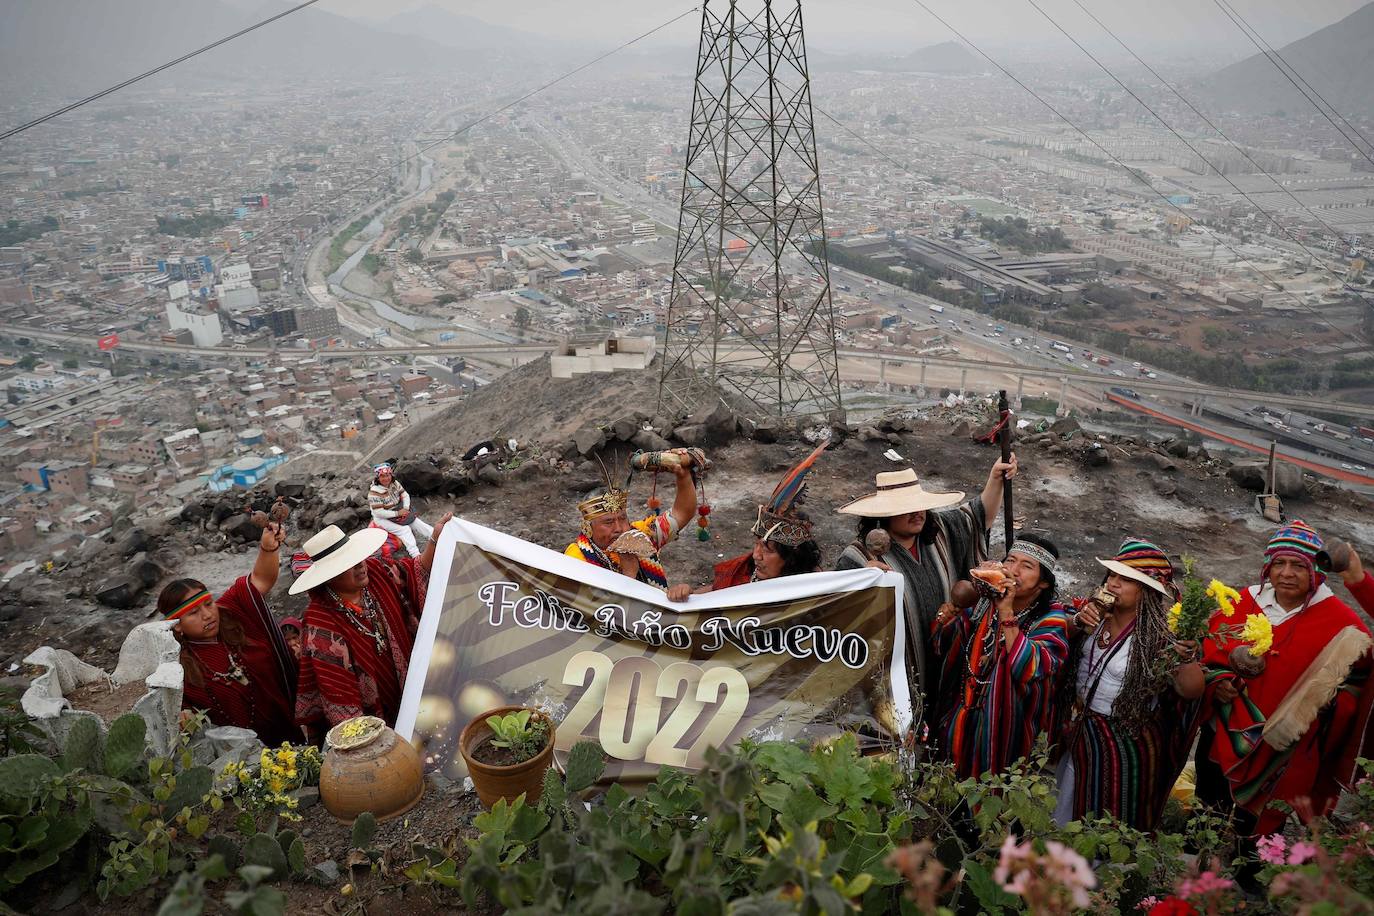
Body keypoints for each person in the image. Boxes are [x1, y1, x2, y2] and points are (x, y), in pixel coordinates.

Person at [1196, 520, 1374, 837]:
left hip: (1281, 747)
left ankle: (1246, 875)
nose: (1287, 573)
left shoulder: (1340, 622)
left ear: (1315, 573)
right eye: (1279, 563)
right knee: (1208, 807)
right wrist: (1218, 680)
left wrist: (1323, 703)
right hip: (1222, 730)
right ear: (1267, 567)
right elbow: (1211, 648)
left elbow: (1359, 678)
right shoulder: (1243, 602)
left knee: (1255, 829)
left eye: (1298, 565)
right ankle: (1197, 866)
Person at [834, 456, 1018, 714]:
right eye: (906, 508)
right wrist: (860, 582)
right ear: (883, 515)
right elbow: (838, 615)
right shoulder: (859, 557)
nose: (917, 512)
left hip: (949, 660)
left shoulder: (940, 532)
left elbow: (978, 516)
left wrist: (996, 479)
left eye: (919, 505)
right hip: (897, 671)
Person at [1052, 539, 1205, 830]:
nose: (1113, 583)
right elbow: (1055, 642)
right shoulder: (1092, 615)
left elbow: (1192, 690)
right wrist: (1075, 624)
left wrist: (1186, 657)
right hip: (1082, 732)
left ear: (1146, 591)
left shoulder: (1163, 635)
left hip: (1126, 739)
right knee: (1070, 799)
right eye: (1112, 575)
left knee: (1113, 812)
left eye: (1126, 579)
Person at [291, 514, 452, 735]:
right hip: (371, 720)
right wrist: (365, 738)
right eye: (349, 564)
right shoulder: (320, 622)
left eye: (359, 558)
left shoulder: (377, 572)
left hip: (410, 688)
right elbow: (339, 693)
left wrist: (435, 539)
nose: (361, 566)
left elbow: (415, 572)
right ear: (329, 577)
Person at [930, 535, 1072, 779]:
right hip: (962, 722)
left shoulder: (1051, 619)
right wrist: (950, 612)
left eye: (1027, 567)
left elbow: (1028, 667)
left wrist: (1006, 610)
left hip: (1009, 734)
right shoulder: (984, 604)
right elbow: (943, 645)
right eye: (1010, 560)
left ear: (1043, 583)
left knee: (993, 802)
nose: (1013, 571)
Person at [162, 521, 302, 746]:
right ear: (177, 625)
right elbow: (178, 709)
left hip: (287, 727)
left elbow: (260, 580)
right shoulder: (175, 665)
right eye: (194, 613)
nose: (207, 615)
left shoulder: (230, 611)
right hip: (237, 756)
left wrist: (268, 548)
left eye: (208, 604)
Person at [667, 442, 827, 599]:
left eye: (768, 549)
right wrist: (688, 594)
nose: (756, 555)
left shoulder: (813, 591)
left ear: (793, 558)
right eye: (757, 544)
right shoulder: (744, 571)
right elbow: (714, 593)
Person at [564, 449, 700, 589]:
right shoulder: (576, 559)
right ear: (588, 527)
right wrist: (629, 574)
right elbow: (593, 606)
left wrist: (683, 476)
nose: (619, 528)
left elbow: (682, 513)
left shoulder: (641, 535)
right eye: (608, 522)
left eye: (622, 518)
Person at [368, 462, 433, 558]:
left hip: (398, 511)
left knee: (415, 522)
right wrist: (397, 513)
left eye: (388, 475)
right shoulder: (374, 493)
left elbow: (405, 495)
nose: (386, 478)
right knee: (404, 530)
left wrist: (405, 508)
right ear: (378, 478)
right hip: (383, 519)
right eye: (382, 476)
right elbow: (379, 512)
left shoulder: (394, 483)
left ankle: (436, 535)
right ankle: (415, 555)